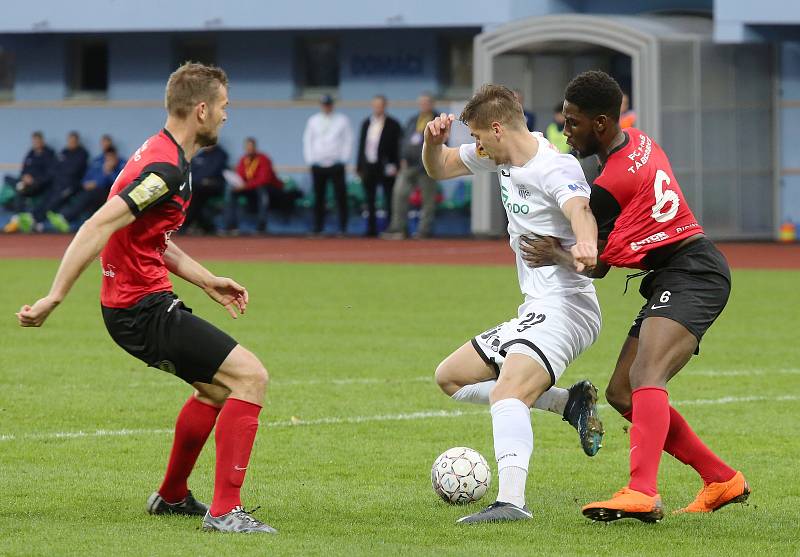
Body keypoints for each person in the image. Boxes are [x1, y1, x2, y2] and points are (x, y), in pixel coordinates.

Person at [16, 62, 277, 534]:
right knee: (251, 378)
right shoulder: (164, 168)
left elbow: (150, 237)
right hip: (140, 309)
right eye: (223, 107)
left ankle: (172, 496)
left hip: (136, 305)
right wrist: (54, 297)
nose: (225, 116)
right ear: (201, 110)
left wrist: (206, 279)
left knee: (217, 388)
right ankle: (225, 512)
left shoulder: (162, 154)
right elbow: (98, 224)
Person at [520, 70, 748, 523]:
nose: (566, 131)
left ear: (601, 123)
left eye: (573, 122)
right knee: (623, 391)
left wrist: (556, 254)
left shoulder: (610, 185)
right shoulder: (638, 140)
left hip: (693, 272)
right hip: (674, 274)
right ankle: (721, 479)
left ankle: (642, 492)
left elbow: (598, 265)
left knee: (647, 373)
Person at [422, 84, 605, 524]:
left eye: (480, 138)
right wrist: (432, 143)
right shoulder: (501, 155)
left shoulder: (554, 167)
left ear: (498, 128)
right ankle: (568, 404)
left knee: (507, 392)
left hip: (567, 307)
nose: (476, 148)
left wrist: (585, 244)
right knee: (450, 378)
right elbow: (440, 168)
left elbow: (581, 209)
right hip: (536, 307)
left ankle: (511, 502)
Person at [382, 93, 439, 239]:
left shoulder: (438, 120)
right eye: (421, 103)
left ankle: (424, 230)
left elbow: (442, 143)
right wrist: (402, 157)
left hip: (427, 166)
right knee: (399, 193)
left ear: (432, 104)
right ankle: (399, 228)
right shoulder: (414, 119)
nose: (423, 105)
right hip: (408, 165)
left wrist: (430, 161)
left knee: (428, 200)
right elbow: (404, 140)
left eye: (426, 102)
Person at [11, 131, 89, 233]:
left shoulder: (82, 153)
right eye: (69, 141)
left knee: (55, 200)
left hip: (71, 185)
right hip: (56, 182)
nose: (70, 143)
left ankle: (36, 219)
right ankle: (28, 218)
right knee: (42, 195)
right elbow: (55, 168)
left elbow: (73, 170)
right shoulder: (64, 152)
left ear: (77, 141)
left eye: (73, 141)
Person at [303, 94, 353, 236]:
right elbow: (308, 140)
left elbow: (348, 140)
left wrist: (344, 159)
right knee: (319, 197)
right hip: (318, 164)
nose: (326, 107)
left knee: (340, 196)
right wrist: (310, 160)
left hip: (336, 164)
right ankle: (318, 227)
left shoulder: (342, 120)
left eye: (328, 104)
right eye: (324, 104)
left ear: (332, 105)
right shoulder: (313, 120)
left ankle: (343, 227)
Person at [47, 147, 126, 233]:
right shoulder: (99, 163)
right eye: (107, 157)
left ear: (115, 156)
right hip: (92, 191)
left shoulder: (121, 165)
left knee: (91, 195)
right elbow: (87, 177)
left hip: (108, 194)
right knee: (73, 189)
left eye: (111, 157)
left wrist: (108, 173)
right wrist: (87, 183)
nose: (109, 159)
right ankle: (58, 213)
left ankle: (66, 218)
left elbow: (117, 183)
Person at [356, 94, 402, 237]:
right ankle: (371, 229)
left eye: (380, 105)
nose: (377, 108)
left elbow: (397, 147)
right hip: (369, 166)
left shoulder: (393, 124)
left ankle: (390, 228)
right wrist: (359, 166)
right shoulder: (366, 123)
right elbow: (362, 145)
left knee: (389, 198)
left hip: (386, 166)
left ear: (385, 106)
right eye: (375, 105)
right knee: (369, 199)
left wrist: (396, 165)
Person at [224, 137, 282, 234]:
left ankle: (261, 225)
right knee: (232, 192)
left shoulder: (263, 159)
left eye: (251, 147)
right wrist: (237, 184)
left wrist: (245, 186)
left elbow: (264, 180)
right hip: (250, 189)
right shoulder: (243, 160)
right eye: (247, 147)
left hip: (270, 188)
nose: (249, 149)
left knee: (262, 191)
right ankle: (231, 225)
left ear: (255, 147)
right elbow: (240, 176)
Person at [3, 131, 57, 232]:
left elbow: (49, 174)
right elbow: (24, 169)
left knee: (20, 189)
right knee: (8, 178)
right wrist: (25, 177)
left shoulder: (49, 154)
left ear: (42, 141)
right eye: (34, 141)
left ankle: (18, 217)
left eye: (38, 141)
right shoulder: (31, 153)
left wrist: (34, 180)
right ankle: (22, 217)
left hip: (39, 185)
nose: (36, 143)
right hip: (26, 183)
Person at [184, 143, 228, 234]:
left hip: (214, 187)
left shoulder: (220, 155)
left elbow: (213, 171)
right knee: (190, 194)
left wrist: (200, 180)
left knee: (195, 196)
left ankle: (186, 223)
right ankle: (204, 225)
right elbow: (192, 172)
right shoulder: (200, 156)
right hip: (198, 186)